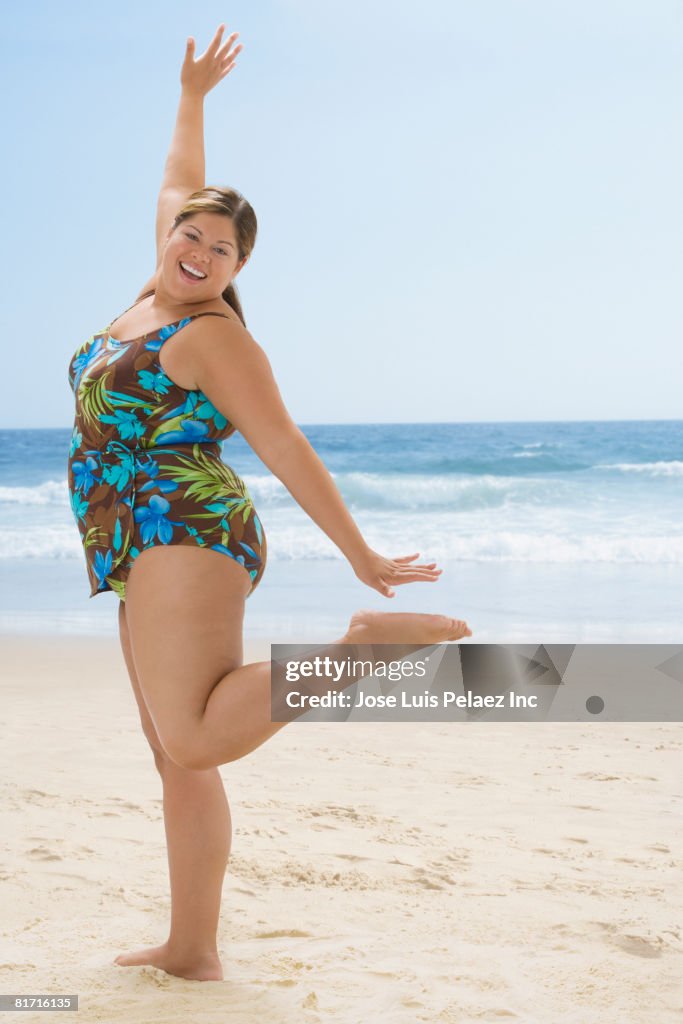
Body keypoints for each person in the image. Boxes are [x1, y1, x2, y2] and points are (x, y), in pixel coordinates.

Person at [66, 24, 472, 982]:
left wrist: (361, 552)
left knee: (198, 732)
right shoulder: (148, 298)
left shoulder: (209, 336)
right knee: (178, 755)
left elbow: (284, 445)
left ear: (238, 271)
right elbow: (179, 177)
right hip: (137, 536)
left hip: (185, 529)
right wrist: (193, 94)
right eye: (191, 235)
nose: (200, 249)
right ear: (170, 239)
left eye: (222, 248)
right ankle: (192, 949)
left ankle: (354, 651)